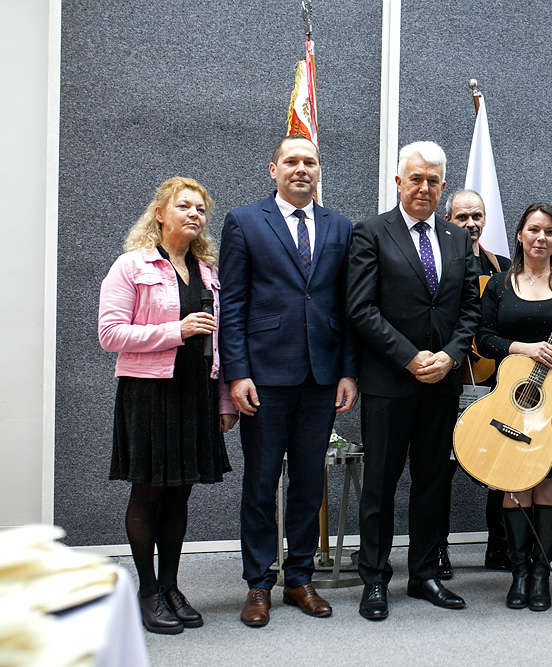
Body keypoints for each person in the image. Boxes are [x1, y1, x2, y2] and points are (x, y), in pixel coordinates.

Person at [219, 135, 358, 628]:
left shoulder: (340, 227)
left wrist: (347, 371)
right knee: (260, 483)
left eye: (311, 162)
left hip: (321, 377)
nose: (302, 169)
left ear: (320, 171)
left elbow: (346, 308)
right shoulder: (243, 222)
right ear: (272, 169)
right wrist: (236, 374)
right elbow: (231, 305)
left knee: (307, 485)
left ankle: (300, 577)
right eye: (292, 162)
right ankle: (259, 583)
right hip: (264, 377)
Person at [347, 141, 480, 621]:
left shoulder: (458, 239)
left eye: (433, 180)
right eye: (416, 179)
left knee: (432, 484)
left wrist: (449, 356)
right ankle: (375, 579)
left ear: (443, 187)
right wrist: (409, 357)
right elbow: (360, 308)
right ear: (398, 181)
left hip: (442, 384)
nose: (424, 187)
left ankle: (423, 573)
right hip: (389, 383)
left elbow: (470, 310)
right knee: (379, 486)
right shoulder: (370, 233)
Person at [98, 177, 237, 634]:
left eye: (201, 208)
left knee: (181, 491)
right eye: (184, 206)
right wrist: (175, 331)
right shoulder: (131, 265)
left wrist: (221, 399)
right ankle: (148, 589)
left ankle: (173, 586)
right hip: (149, 394)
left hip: (196, 392)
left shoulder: (208, 271)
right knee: (149, 491)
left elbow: (216, 343)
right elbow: (110, 334)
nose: (194, 214)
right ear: (160, 213)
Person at [477, 202, 552, 612]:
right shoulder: (499, 284)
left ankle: (541, 574)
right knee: (515, 483)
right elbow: (483, 340)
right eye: (533, 229)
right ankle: (518, 572)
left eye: (549, 231)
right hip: (511, 399)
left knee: (549, 483)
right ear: (519, 234)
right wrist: (525, 348)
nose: (540, 238)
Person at [438, 188, 512, 576]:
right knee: (441, 469)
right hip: (449, 380)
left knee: (500, 465)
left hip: (494, 382)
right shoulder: (438, 261)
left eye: (477, 216)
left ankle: (499, 546)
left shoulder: (502, 266)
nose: (470, 224)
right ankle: (437, 549)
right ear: (448, 220)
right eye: (462, 217)